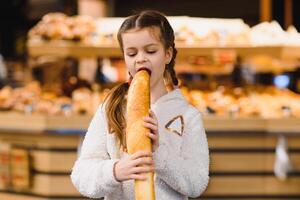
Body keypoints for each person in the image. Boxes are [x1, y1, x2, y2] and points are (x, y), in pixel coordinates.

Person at [71, 10, 209, 200]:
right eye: (131, 53)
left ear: (167, 54)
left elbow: (197, 183)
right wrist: (116, 170)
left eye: (151, 51)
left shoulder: (188, 116)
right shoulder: (112, 107)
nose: (140, 59)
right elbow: (81, 175)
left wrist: (159, 154)